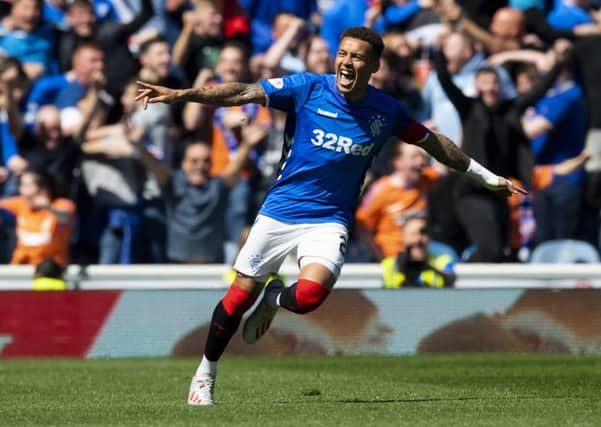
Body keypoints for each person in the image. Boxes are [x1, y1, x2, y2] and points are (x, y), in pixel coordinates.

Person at [136, 26, 524, 406]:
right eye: (343, 53)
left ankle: (274, 296)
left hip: (329, 219)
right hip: (280, 212)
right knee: (236, 301)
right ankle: (205, 373)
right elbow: (242, 91)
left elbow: (434, 143)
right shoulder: (306, 88)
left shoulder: (386, 111)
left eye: (357, 56)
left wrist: (487, 177)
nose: (346, 62)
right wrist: (182, 94)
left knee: (308, 297)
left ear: (373, 67)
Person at [0, 169, 75, 266]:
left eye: (27, 186)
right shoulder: (20, 203)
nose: (21, 190)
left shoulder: (62, 205)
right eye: (21, 185)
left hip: (50, 269)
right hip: (21, 267)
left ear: (43, 189)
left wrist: (49, 208)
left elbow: (65, 218)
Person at [381, 212, 455, 288]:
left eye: (423, 233)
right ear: (402, 238)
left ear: (430, 237)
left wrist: (430, 268)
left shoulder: (442, 262)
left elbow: (451, 279)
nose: (418, 239)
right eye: (413, 234)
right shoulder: (388, 266)